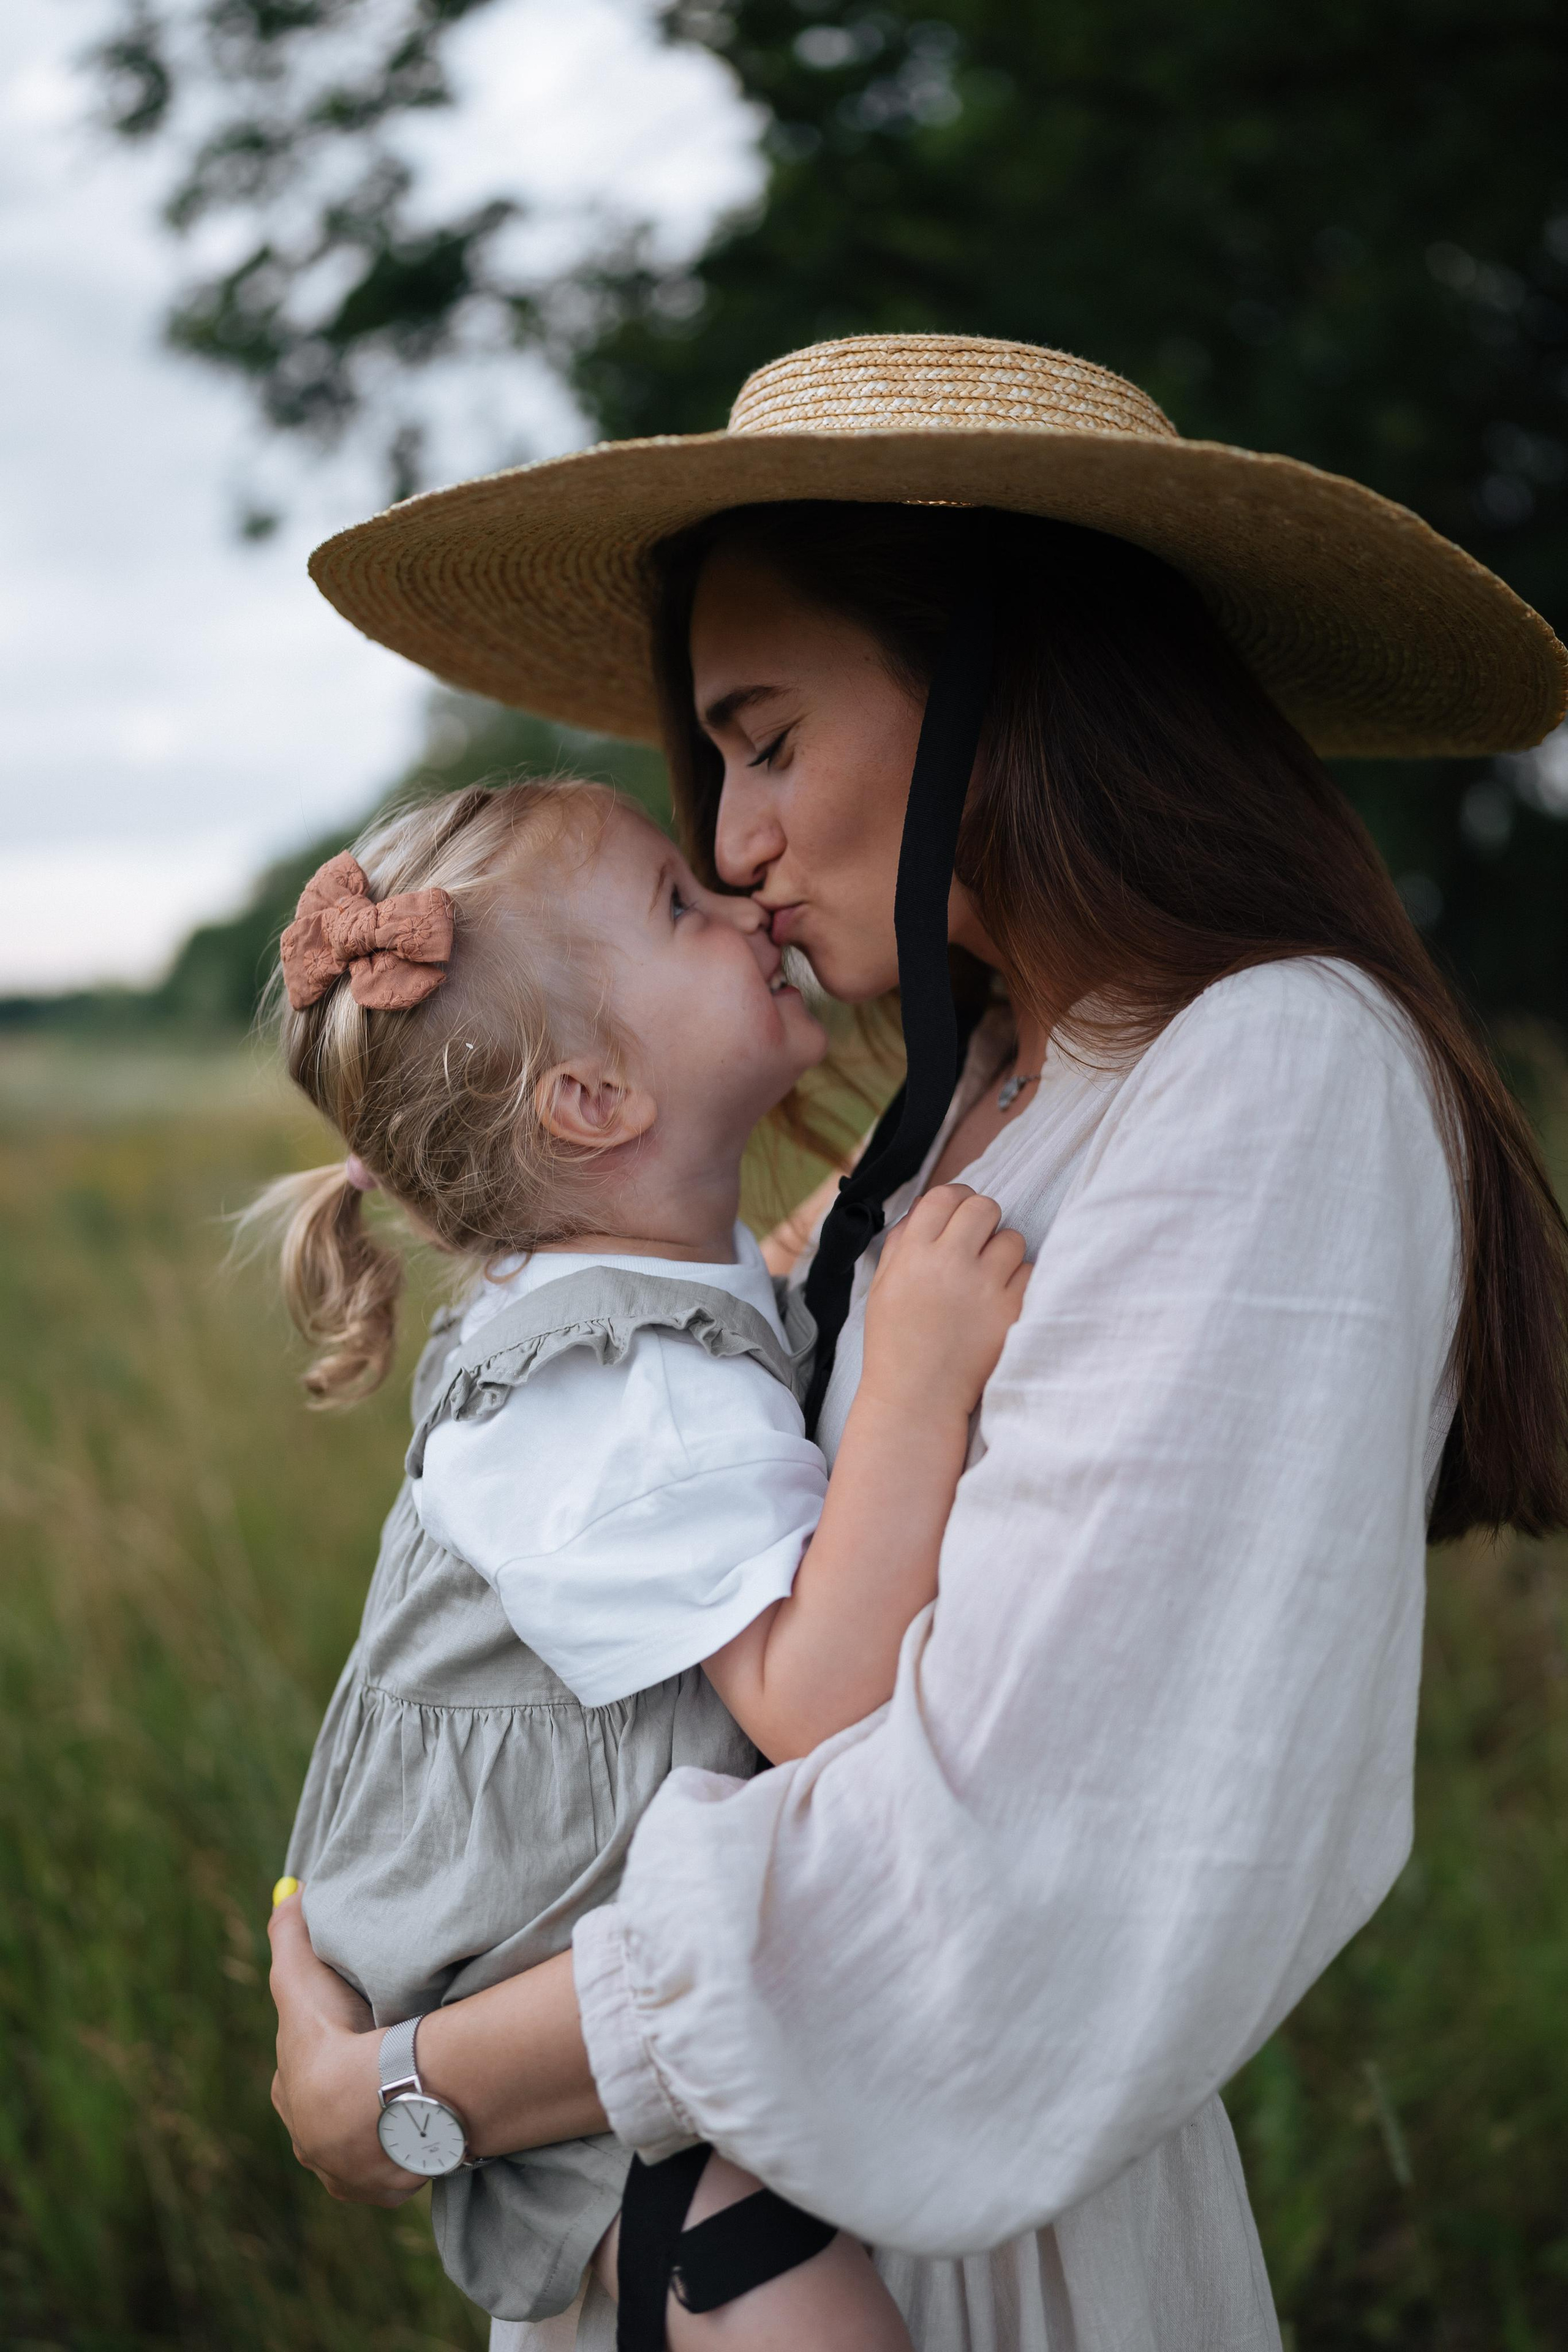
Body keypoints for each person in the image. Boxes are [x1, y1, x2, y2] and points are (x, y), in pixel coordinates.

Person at [269, 333, 1568, 2352]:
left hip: (957, 2235)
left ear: (991, 686)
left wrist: (418, 2091)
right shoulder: (975, 1100)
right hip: (723, 2192)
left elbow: (1030, 1870)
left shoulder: (1271, 1073)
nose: (737, 843)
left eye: (766, 741)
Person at [251, 774, 1029, 2346]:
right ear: (592, 1099)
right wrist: (919, 1374)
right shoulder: (616, 1398)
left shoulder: (635, 1282)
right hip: (542, 2032)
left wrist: (856, 1221)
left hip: (562, 1978)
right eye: (680, 904)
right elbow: (819, 1697)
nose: (741, 900)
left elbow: (756, 1321)